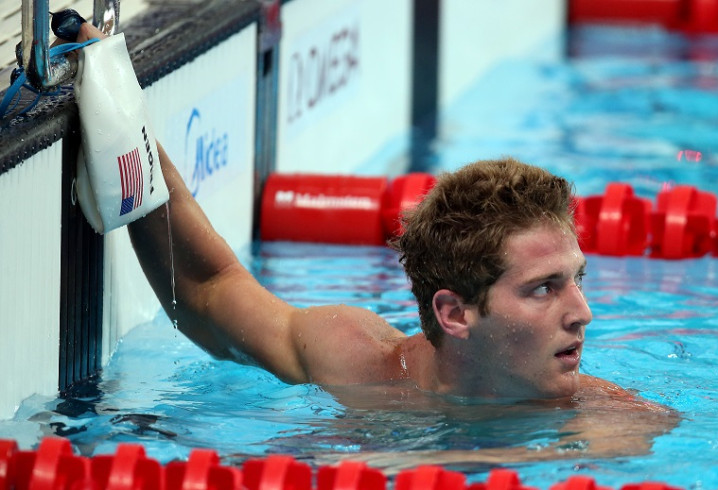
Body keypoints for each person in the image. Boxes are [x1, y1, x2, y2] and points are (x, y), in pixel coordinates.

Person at [74, 23, 678, 464]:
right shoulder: (356, 358)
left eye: (578, 278)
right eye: (545, 288)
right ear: (455, 312)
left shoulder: (610, 424)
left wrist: (401, 464)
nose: (583, 312)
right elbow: (209, 289)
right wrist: (132, 135)